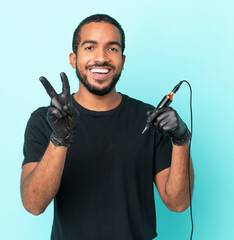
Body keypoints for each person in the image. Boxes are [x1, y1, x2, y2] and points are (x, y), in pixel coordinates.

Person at [20, 14, 194, 240]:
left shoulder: (150, 118)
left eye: (112, 49)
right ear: (73, 59)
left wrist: (181, 139)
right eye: (90, 47)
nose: (101, 58)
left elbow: (178, 203)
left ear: (122, 59)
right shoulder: (44, 120)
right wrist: (59, 139)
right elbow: (34, 204)